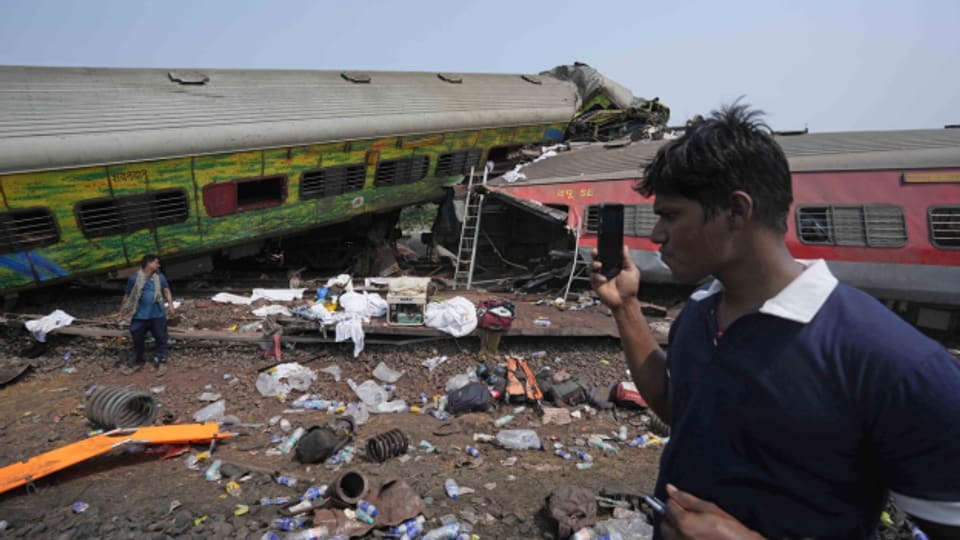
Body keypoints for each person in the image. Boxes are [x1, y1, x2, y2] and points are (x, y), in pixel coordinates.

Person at [590, 103, 960, 539]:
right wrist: (625, 307)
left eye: (670, 215)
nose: (656, 236)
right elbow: (680, 407)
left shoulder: (897, 364)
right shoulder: (699, 313)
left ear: (737, 212)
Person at [118, 254, 175, 375]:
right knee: (137, 338)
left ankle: (161, 361)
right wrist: (121, 313)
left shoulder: (159, 277)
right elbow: (127, 296)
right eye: (156, 263)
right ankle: (140, 361)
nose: (158, 265)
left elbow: (166, 290)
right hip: (139, 315)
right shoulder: (134, 278)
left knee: (161, 338)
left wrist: (170, 304)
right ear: (149, 264)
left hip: (157, 314)